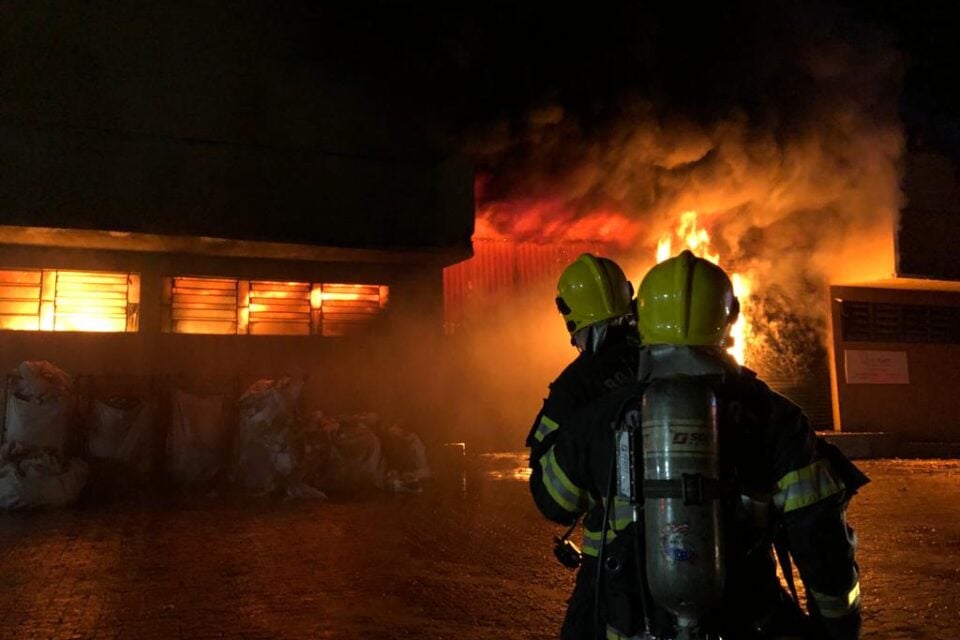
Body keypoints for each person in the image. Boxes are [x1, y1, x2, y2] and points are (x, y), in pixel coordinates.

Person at [532, 250, 867, 640]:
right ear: (729, 321)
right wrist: (837, 626)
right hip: (742, 620)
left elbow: (552, 499)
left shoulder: (603, 413)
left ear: (644, 320)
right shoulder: (775, 418)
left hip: (626, 621)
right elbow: (821, 544)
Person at [526, 253, 640, 639]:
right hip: (712, 556)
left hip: (613, 563)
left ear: (572, 317)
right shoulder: (676, 363)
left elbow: (551, 497)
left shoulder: (578, 386)